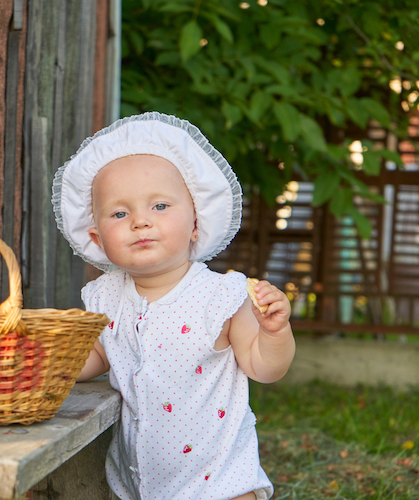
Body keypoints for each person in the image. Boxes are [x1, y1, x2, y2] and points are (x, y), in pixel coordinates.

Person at [52, 112, 296, 500]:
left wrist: (275, 332)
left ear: (196, 223)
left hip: (219, 483)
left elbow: (264, 367)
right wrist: (54, 361)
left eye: (160, 206)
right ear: (97, 238)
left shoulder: (221, 297)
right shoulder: (105, 297)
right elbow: (98, 353)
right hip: (138, 482)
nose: (140, 222)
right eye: (120, 213)